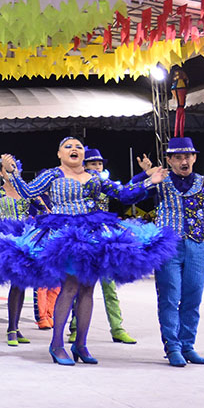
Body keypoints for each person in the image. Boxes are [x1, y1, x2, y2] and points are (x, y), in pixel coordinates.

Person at [0, 137, 177, 366]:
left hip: (92, 233)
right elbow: (28, 192)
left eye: (78, 147)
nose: (74, 149)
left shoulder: (95, 177)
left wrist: (149, 181)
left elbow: (123, 194)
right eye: (68, 147)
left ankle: (81, 344)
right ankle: (57, 344)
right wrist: (13, 172)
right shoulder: (52, 174)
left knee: (88, 288)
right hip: (65, 235)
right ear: (59, 154)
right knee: (70, 286)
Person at [134, 139, 204, 366]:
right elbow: (128, 195)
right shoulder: (160, 182)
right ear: (169, 160)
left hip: (196, 247)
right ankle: (172, 346)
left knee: (193, 297)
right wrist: (147, 175)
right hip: (168, 246)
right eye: (178, 157)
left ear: (194, 158)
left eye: (187, 156)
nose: (183, 161)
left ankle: (188, 345)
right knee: (169, 297)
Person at [67, 148, 137, 345]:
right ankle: (75, 327)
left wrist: (145, 175)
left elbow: (127, 191)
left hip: (105, 238)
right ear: (84, 166)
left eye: (100, 164)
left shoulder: (106, 185)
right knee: (80, 286)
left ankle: (117, 328)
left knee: (110, 287)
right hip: (85, 239)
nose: (98, 167)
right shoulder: (77, 184)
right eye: (93, 164)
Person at [0, 158, 39, 347]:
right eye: (8, 169)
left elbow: (44, 207)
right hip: (6, 241)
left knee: (21, 284)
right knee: (17, 282)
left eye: (16, 168)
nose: (13, 171)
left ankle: (15, 327)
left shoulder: (27, 193)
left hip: (25, 240)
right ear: (1, 173)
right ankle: (12, 328)